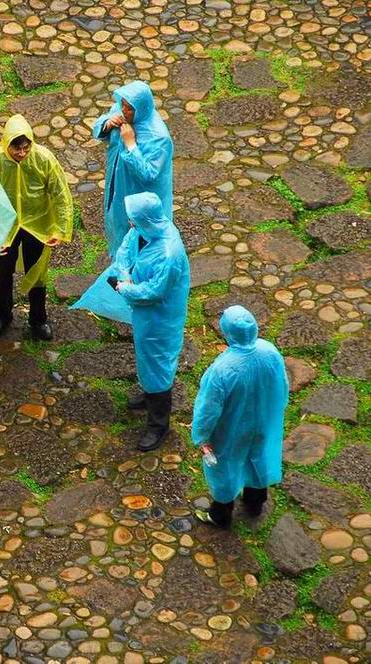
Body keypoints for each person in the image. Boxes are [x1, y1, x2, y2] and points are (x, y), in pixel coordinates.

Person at [191, 306, 289, 528]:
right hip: (263, 422)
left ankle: (221, 514)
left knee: (224, 467)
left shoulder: (222, 370)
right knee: (257, 458)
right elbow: (282, 385)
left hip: (230, 430)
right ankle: (255, 502)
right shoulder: (270, 351)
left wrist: (201, 437)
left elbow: (208, 409)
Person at [0, 114, 74, 342]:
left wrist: (59, 229)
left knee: (38, 273)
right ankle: (1, 316)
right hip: (6, 227)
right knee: (4, 272)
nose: (22, 153)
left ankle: (38, 318)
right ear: (6, 145)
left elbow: (61, 194)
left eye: (26, 147)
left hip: (38, 225)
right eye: (16, 148)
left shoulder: (44, 159)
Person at [111, 191, 189, 452]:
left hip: (161, 317)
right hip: (145, 315)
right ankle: (149, 394)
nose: (130, 223)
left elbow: (155, 291)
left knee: (159, 363)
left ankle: (159, 423)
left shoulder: (168, 253)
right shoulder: (144, 229)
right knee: (146, 357)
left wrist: (124, 288)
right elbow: (125, 249)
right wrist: (124, 275)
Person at [93, 80, 173, 258]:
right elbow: (99, 127)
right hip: (118, 184)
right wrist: (107, 124)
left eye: (129, 108)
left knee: (140, 240)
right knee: (117, 226)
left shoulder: (158, 138)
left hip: (139, 195)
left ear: (140, 108)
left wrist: (131, 145)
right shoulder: (120, 112)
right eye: (122, 105)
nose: (123, 111)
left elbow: (149, 173)